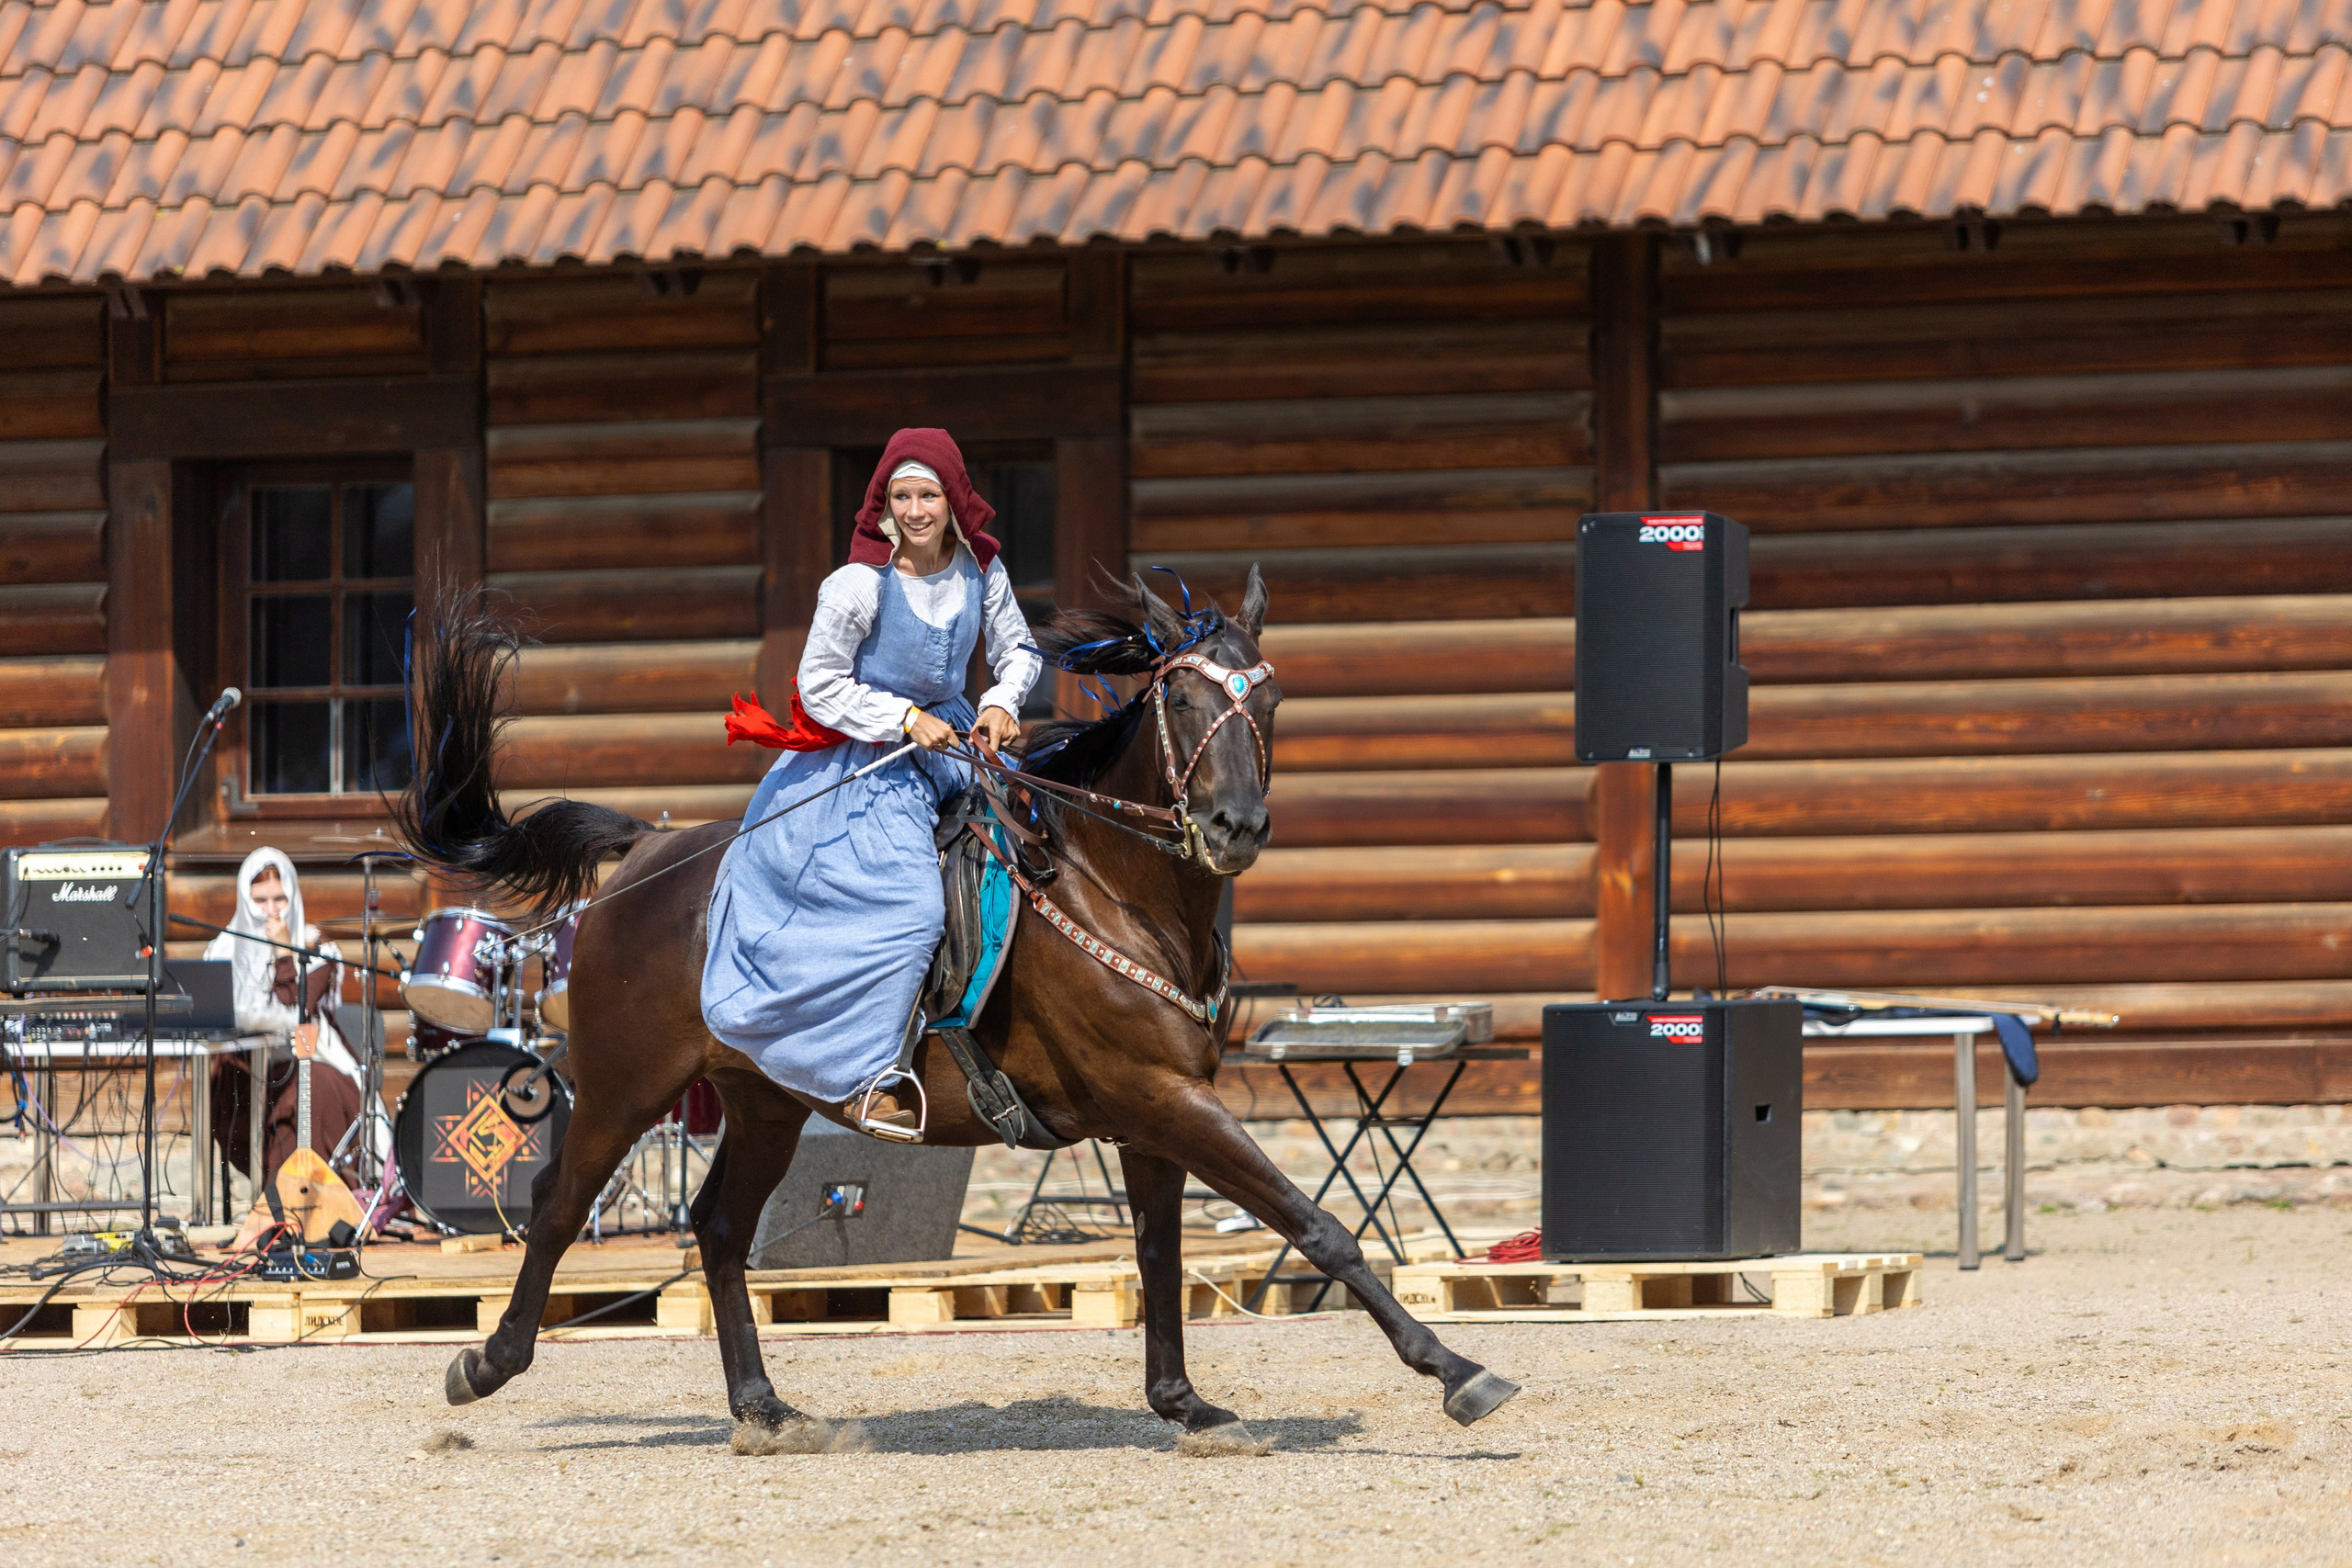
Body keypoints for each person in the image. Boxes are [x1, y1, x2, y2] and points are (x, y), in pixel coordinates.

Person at [701, 429, 1041, 1136]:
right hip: (871, 761)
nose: (916, 510)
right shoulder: (859, 581)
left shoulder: (982, 567)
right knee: (917, 912)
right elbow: (821, 686)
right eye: (901, 496)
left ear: (954, 501)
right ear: (884, 504)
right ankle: (869, 1076)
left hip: (958, 748)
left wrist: (1002, 700)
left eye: (929, 495)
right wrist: (905, 716)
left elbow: (1018, 648)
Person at [205, 847, 364, 1187]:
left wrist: (284, 952)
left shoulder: (317, 950)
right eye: (260, 900)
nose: (272, 910)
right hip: (245, 1063)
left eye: (281, 899)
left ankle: (311, 1198)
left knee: (315, 1087)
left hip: (303, 1058)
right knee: (230, 1083)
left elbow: (293, 1009)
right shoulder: (223, 948)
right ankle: (283, 1201)